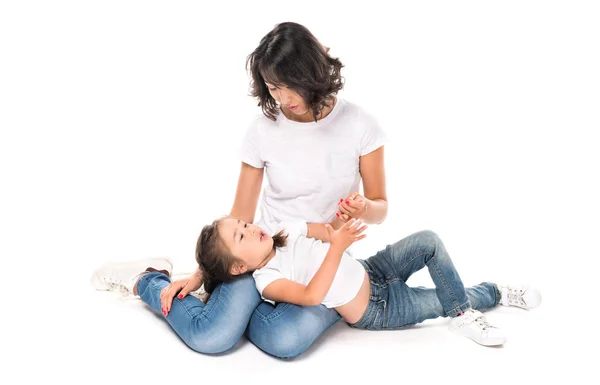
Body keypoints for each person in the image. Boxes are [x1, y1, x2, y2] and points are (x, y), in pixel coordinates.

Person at [91, 21, 388, 358]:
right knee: (212, 337)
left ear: (313, 74)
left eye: (290, 86)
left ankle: (232, 307)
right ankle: (147, 278)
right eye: (273, 88)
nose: (283, 98)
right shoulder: (263, 131)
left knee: (283, 339)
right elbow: (242, 214)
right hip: (263, 256)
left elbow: (380, 207)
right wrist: (203, 275)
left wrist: (364, 207)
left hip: (321, 258)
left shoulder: (361, 125)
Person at [194, 216, 542, 346]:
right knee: (441, 300)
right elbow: (313, 295)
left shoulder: (285, 229)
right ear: (239, 268)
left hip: (374, 269)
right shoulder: (267, 280)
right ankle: (490, 296)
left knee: (429, 240)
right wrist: (337, 248)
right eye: (241, 237)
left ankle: (462, 309)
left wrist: (341, 224)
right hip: (378, 309)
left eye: (243, 224)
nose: (251, 228)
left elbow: (329, 233)